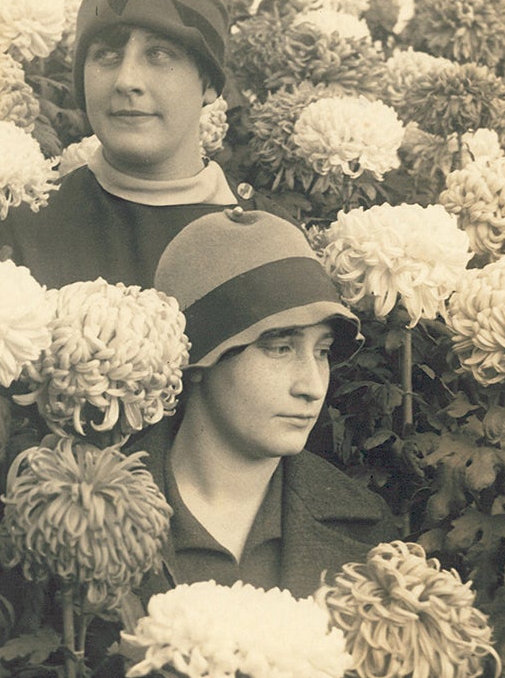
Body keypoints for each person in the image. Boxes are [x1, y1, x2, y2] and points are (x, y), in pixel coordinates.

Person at [134, 208, 387, 599]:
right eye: (281, 348)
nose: (312, 386)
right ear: (199, 359)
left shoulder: (365, 529)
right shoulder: (95, 513)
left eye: (321, 352)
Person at [0, 0, 237, 289]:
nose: (127, 81)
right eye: (107, 54)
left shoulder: (272, 237)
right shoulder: (24, 229)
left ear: (209, 83)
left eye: (158, 53)